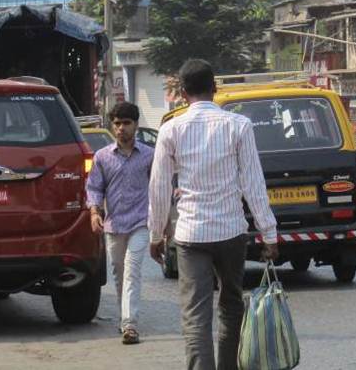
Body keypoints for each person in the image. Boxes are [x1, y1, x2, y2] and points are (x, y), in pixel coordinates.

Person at [148, 59, 278, 370]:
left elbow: (159, 187)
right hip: (232, 232)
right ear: (215, 89)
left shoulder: (170, 130)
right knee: (231, 306)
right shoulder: (238, 126)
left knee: (195, 315)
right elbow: (253, 184)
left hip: (191, 235)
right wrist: (269, 233)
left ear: (182, 92)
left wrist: (156, 235)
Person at [86, 101, 155, 346]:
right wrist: (95, 212)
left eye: (126, 123)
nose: (121, 128)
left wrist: (162, 224)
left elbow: (157, 189)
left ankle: (130, 324)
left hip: (140, 223)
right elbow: (94, 187)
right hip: (113, 225)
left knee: (132, 269)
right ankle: (123, 317)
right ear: (112, 126)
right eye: (117, 124)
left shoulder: (149, 155)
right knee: (119, 272)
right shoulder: (102, 157)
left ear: (136, 125)